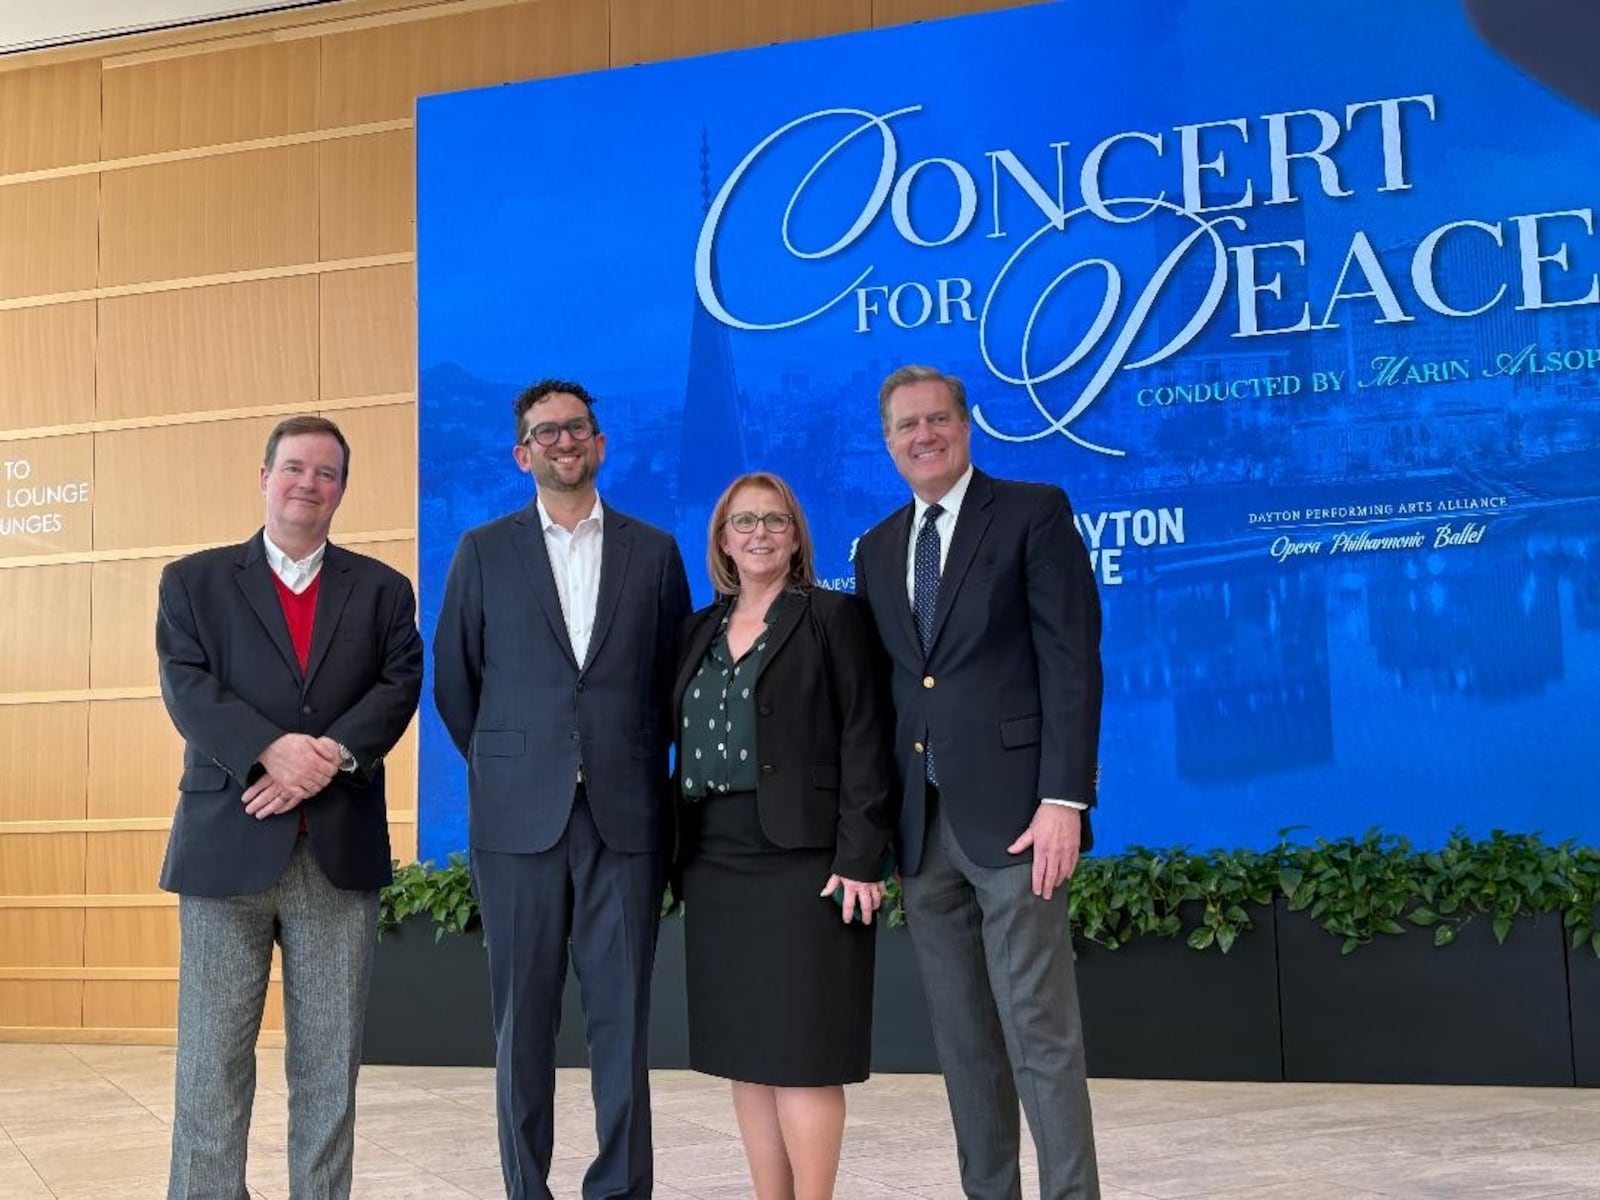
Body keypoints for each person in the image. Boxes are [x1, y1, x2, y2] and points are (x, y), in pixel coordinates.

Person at [433, 379, 691, 1200]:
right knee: (523, 1024)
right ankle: (527, 1189)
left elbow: (670, 681)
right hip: (517, 820)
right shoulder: (482, 550)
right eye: (545, 433)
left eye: (576, 428)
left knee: (623, 1024)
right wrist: (513, 763)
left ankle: (619, 1187)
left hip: (626, 816)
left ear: (600, 442)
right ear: (522, 454)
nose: (563, 442)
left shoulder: (654, 552)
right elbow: (455, 682)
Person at [156, 415, 424, 1199]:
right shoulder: (194, 581)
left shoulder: (381, 590)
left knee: (328, 1070)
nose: (309, 484)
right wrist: (272, 750)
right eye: (295, 468)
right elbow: (189, 687)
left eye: (327, 473)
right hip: (224, 849)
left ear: (342, 488)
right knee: (210, 1063)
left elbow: (398, 684)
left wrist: (328, 758)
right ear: (265, 476)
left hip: (335, 858)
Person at [853, 366, 1105, 1200]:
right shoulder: (879, 546)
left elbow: (1071, 662)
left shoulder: (1033, 513)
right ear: (887, 442)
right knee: (964, 1042)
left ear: (966, 426)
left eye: (936, 420)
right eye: (905, 426)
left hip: (1019, 822)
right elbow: (895, 689)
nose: (922, 436)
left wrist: (1064, 799)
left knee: (1040, 1033)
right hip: (923, 837)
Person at [672, 471, 895, 1200]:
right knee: (748, 1052)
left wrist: (860, 854)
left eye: (774, 520)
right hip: (714, 858)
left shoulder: (833, 617)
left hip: (806, 862)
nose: (759, 533)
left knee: (804, 1052)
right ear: (722, 540)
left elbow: (867, 735)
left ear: (796, 535)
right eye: (743, 522)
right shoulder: (697, 629)